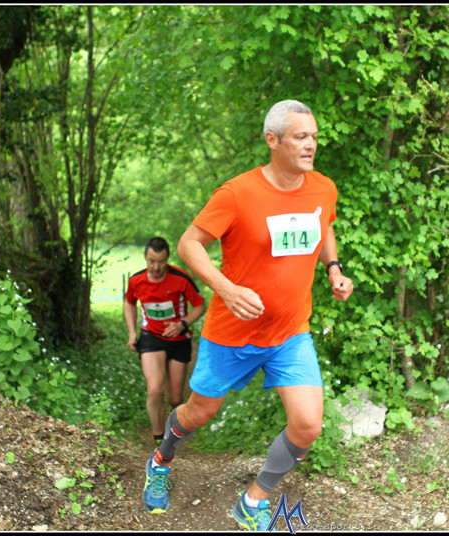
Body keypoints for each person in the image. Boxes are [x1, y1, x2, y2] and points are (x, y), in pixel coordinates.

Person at [142, 100, 354, 529]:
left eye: (314, 136)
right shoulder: (238, 193)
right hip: (232, 334)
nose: (311, 145)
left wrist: (333, 267)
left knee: (308, 425)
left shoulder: (323, 187)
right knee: (197, 413)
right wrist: (226, 287)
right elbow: (188, 244)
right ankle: (161, 459)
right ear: (272, 140)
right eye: (301, 137)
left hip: (290, 332)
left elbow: (324, 222)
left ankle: (254, 499)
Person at [124, 237, 206, 447]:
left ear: (167, 259)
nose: (156, 267)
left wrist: (182, 324)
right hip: (151, 337)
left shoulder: (181, 279)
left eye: (161, 261)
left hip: (178, 339)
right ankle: (159, 439)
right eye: (152, 261)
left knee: (174, 397)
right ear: (145, 257)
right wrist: (132, 332)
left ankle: (175, 426)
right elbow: (129, 302)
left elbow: (199, 306)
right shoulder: (136, 281)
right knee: (154, 390)